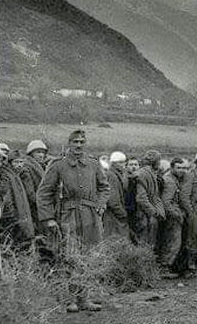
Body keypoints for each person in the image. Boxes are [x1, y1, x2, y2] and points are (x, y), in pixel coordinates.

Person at [36, 130, 109, 313]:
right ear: (69, 143)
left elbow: (104, 187)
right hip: (67, 217)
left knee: (88, 257)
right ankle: (68, 300)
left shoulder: (93, 164)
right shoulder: (58, 166)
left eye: (81, 141)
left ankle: (84, 298)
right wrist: (49, 218)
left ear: (85, 143)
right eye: (75, 141)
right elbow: (43, 193)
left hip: (91, 217)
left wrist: (100, 204)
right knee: (68, 258)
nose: (78, 145)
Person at [133, 150, 165, 246]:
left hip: (148, 215)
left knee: (149, 243)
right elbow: (141, 198)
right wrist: (154, 212)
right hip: (144, 215)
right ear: (154, 161)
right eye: (158, 160)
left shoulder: (148, 173)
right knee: (144, 244)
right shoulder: (143, 174)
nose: (159, 163)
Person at [103, 151, 129, 240]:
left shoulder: (115, 175)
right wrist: (123, 214)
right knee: (116, 240)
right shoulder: (112, 176)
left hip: (114, 215)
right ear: (114, 164)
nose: (124, 165)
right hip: (113, 217)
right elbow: (113, 201)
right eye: (121, 162)